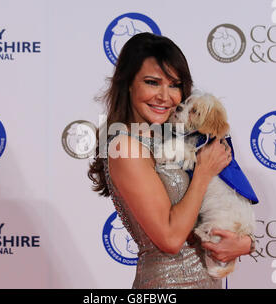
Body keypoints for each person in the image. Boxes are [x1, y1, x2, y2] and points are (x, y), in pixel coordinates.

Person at [88, 32, 254, 289]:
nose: (165, 97)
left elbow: (214, 207)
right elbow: (170, 238)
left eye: (174, 85)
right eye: (153, 82)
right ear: (128, 84)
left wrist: (244, 242)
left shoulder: (176, 138)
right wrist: (203, 172)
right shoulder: (125, 147)